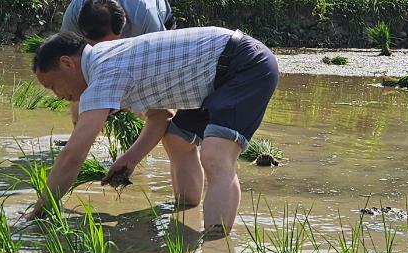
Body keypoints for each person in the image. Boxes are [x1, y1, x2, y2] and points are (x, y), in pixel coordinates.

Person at [26, 27, 279, 234]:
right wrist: (129, 159)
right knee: (177, 139)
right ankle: (186, 207)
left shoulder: (104, 72)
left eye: (52, 86)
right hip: (213, 79)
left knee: (215, 156)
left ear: (67, 63)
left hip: (244, 65)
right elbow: (160, 118)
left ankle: (216, 244)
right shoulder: (108, 60)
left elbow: (73, 156)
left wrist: (40, 209)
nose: (58, 95)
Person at [62, 0, 175, 43]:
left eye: (110, 43)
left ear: (124, 22)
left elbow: (159, 52)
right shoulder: (74, 13)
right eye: (94, 44)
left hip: (162, 20)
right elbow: (67, 51)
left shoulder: (145, 14)